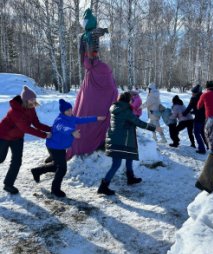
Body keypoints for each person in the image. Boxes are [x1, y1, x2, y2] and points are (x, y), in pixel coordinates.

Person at [66, 9, 118, 159]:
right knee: (109, 86)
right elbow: (96, 35)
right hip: (92, 63)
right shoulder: (90, 35)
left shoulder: (82, 36)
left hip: (89, 65)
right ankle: (97, 136)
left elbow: (94, 37)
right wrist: (103, 30)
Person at [31, 99, 106, 197]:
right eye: (67, 110)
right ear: (63, 111)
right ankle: (55, 189)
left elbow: (83, 119)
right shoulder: (59, 120)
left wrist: (96, 118)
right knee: (62, 168)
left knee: (56, 166)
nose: (70, 111)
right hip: (54, 146)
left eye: (70, 109)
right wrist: (72, 132)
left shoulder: (72, 118)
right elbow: (62, 128)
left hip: (60, 147)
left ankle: (37, 171)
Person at [97, 92, 162, 195]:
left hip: (120, 139)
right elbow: (138, 122)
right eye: (131, 99)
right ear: (127, 100)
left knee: (129, 156)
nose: (132, 101)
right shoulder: (125, 110)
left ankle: (130, 178)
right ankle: (103, 186)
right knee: (116, 164)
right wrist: (154, 128)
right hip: (121, 141)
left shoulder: (116, 108)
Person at [0, 86, 51, 194]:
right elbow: (25, 128)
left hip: (17, 138)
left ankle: (8, 184)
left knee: (17, 161)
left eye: (34, 99)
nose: (34, 101)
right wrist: (44, 135)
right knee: (0, 158)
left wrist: (52, 129)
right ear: (24, 100)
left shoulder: (31, 108)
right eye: (31, 99)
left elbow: (37, 124)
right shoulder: (15, 111)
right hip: (3, 136)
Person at [183, 84, 208, 153]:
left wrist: (183, 114)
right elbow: (202, 108)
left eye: (193, 93)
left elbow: (188, 108)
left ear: (196, 93)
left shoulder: (194, 99)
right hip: (205, 118)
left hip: (199, 119)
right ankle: (208, 145)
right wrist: (194, 112)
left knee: (196, 132)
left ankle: (202, 149)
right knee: (202, 132)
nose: (192, 94)